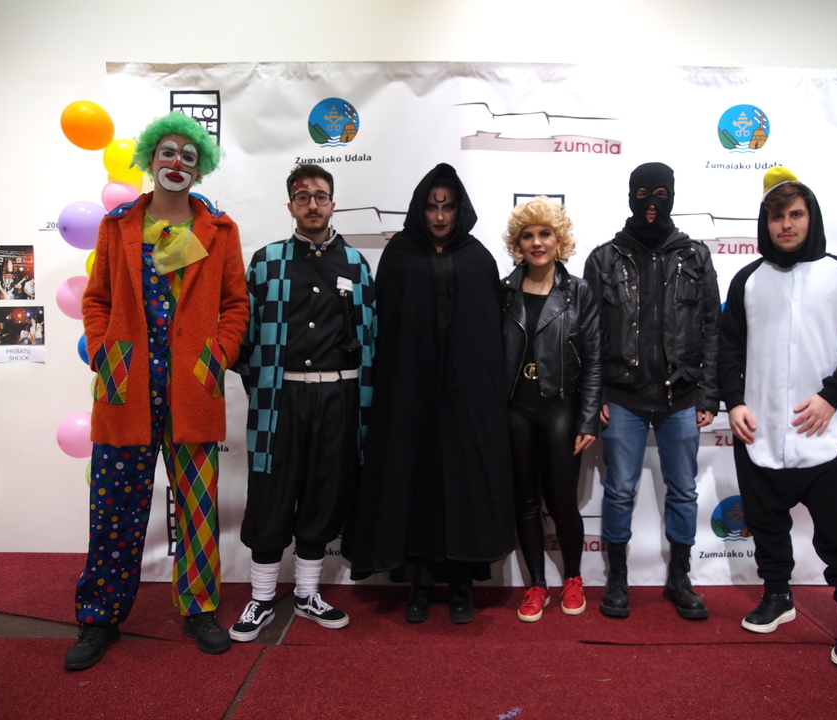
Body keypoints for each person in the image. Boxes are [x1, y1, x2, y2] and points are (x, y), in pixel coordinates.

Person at [66, 112, 249, 670]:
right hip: (127, 388)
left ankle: (199, 608)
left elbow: (235, 305)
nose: (177, 162)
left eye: (188, 156)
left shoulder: (220, 230)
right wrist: (104, 352)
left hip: (192, 388)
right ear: (150, 159)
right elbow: (97, 299)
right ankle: (99, 616)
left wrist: (217, 356)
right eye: (167, 152)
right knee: (114, 507)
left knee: (197, 509)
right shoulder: (118, 224)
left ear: (200, 168)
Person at [719, 168, 837, 670]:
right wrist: (734, 401)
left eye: (795, 214)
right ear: (764, 223)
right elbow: (728, 347)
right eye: (776, 217)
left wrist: (833, 396)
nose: (785, 225)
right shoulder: (747, 280)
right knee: (766, 526)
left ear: (811, 218)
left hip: (826, 429)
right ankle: (777, 594)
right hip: (760, 428)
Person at [343, 163, 513, 624]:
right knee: (412, 479)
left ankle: (461, 585)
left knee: (464, 483)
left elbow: (489, 336)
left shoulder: (478, 259)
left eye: (448, 207)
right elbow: (384, 330)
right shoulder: (399, 257)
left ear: (460, 210)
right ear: (420, 209)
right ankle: (418, 583)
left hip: (467, 398)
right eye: (433, 207)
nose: (440, 216)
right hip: (408, 395)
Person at [230, 164, 375, 641]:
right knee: (271, 491)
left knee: (325, 491)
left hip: (338, 396)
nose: (313, 204)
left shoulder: (356, 264)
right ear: (290, 205)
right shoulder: (266, 261)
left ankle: (308, 594)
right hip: (281, 397)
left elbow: (371, 337)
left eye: (321, 196)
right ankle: (261, 598)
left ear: (333, 203)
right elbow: (244, 335)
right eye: (303, 196)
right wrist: (264, 387)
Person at [584, 162, 719, 621]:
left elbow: (712, 328)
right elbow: (590, 335)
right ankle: (617, 579)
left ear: (673, 196)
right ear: (630, 196)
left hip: (681, 395)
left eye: (660, 193)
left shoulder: (695, 256)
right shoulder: (604, 258)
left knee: (683, 490)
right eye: (642, 194)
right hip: (622, 396)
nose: (651, 203)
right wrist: (596, 394)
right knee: (620, 490)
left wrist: (708, 394)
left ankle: (679, 577)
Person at [501, 197, 601, 622]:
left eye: (545, 233)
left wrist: (589, 417)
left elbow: (594, 359)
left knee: (562, 503)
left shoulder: (579, 291)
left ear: (559, 240)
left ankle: (573, 578)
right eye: (528, 235)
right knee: (525, 502)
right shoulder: (503, 291)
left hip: (561, 408)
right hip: (515, 409)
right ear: (518, 243)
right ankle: (537, 584)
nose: (537, 242)